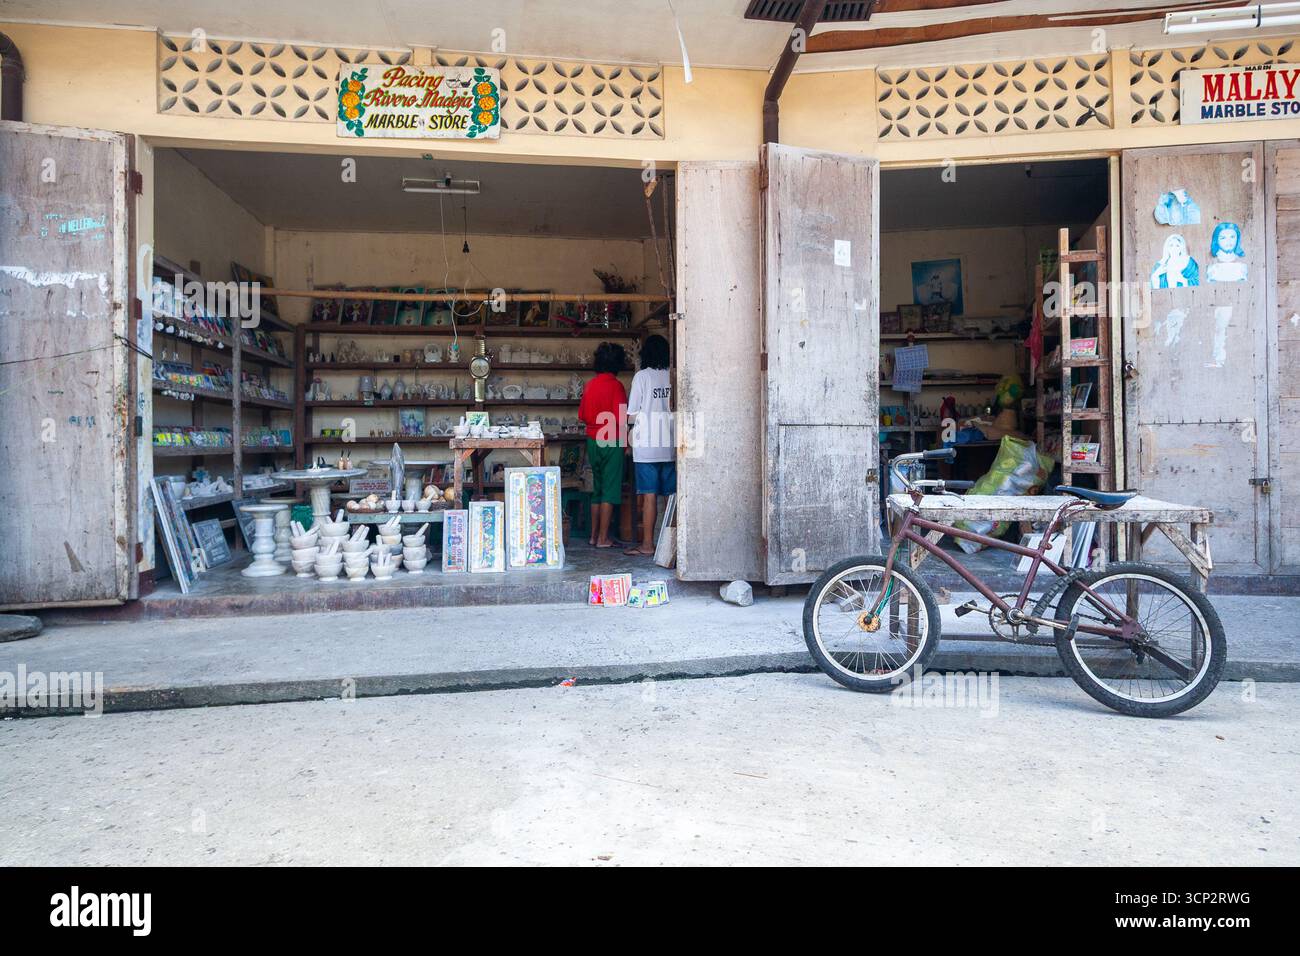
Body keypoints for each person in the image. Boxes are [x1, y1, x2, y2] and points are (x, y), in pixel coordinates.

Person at [624, 334, 674, 557]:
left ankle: (647, 545)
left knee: (649, 495)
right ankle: (674, 545)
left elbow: (632, 413)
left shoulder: (642, 377)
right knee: (672, 496)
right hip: (671, 443)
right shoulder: (673, 375)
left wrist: (629, 437)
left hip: (646, 445)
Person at [577, 342, 628, 548]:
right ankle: (603, 539)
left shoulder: (590, 385)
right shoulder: (616, 386)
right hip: (612, 439)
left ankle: (593, 536)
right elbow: (622, 418)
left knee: (597, 490)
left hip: (592, 440)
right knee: (610, 489)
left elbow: (582, 415)